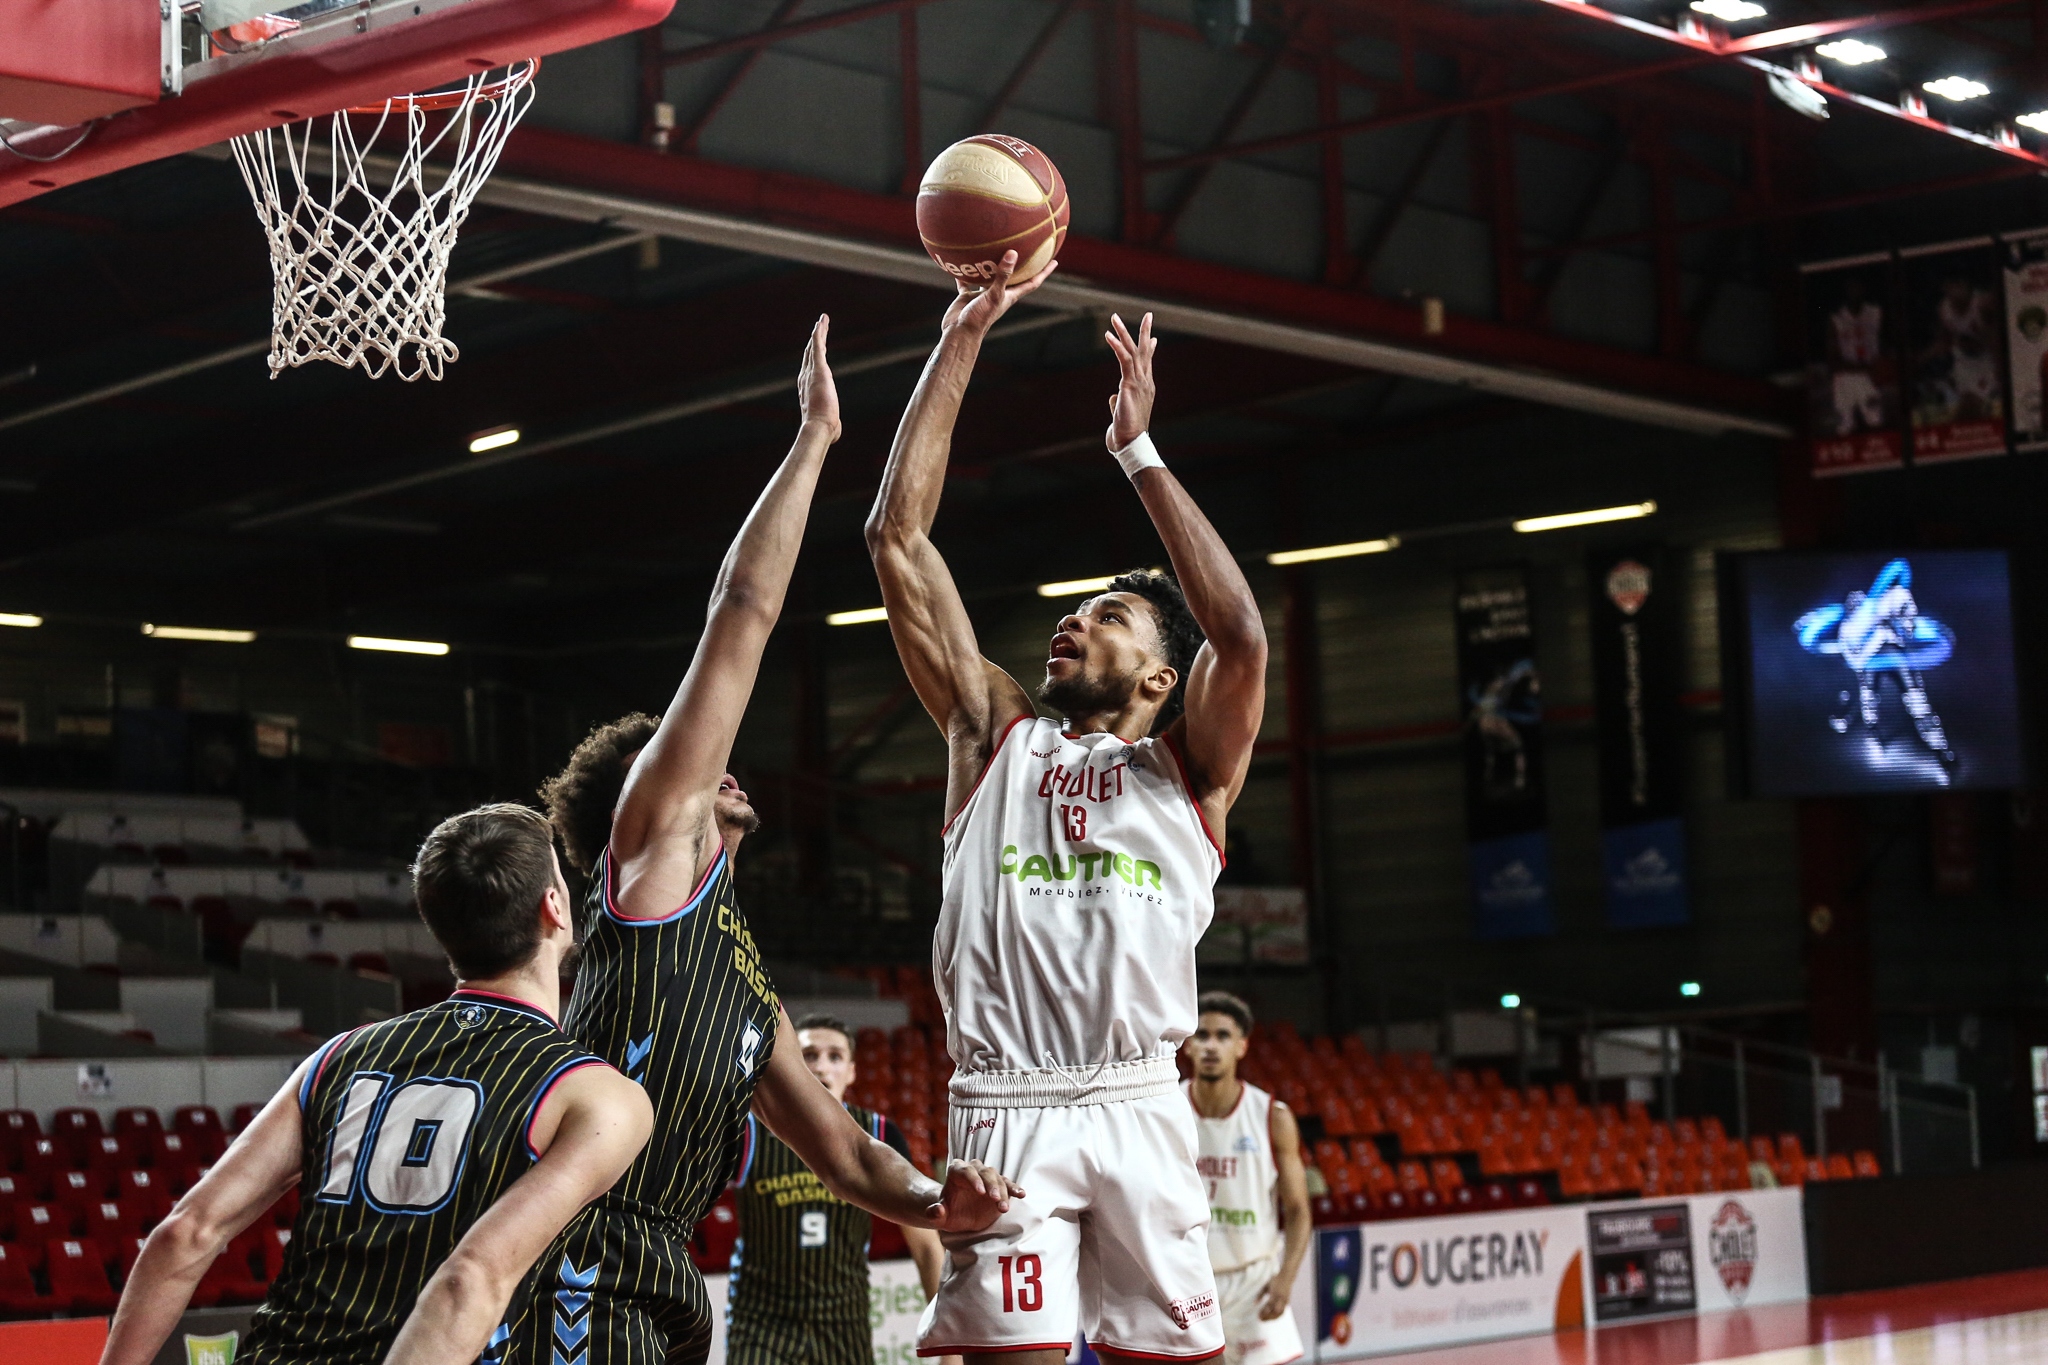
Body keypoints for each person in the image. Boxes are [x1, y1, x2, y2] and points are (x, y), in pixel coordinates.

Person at [503, 317, 1018, 1365]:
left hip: (657, 1275)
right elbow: (741, 608)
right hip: (571, 1261)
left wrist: (939, 1203)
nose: (722, 764)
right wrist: (814, 439)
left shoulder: (745, 983)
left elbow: (846, 1158)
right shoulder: (644, 868)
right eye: (692, 764)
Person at [864, 252, 1268, 1365]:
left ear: (1155, 680)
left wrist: (1134, 450)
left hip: (1142, 1105)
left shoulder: (1190, 774)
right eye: (1070, 614)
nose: (1070, 625)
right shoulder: (991, 736)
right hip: (1007, 1106)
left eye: (1104, 618)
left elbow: (1238, 636)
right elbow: (896, 540)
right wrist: (959, 337)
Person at [99, 804, 655, 1365]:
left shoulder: (339, 1056)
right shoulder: (596, 1094)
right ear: (554, 907)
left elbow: (185, 1233)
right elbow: (468, 1280)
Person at [725, 1015, 948, 1365]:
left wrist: (948, 1345)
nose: (821, 1067)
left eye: (835, 1057)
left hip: (845, 1325)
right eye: (809, 1056)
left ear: (853, 1071)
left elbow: (926, 1249)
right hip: (760, 1324)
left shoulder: (879, 1132)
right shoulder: (748, 1131)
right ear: (792, 1066)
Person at [1182, 994, 1308, 1365]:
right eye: (1202, 1035)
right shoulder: (1167, 1114)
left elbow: (1299, 1210)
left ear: (1241, 1046)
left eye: (1223, 1036)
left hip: (1254, 1281)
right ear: (1188, 1045)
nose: (1211, 1045)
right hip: (1190, 1282)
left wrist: (1285, 1278)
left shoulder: (1272, 1115)